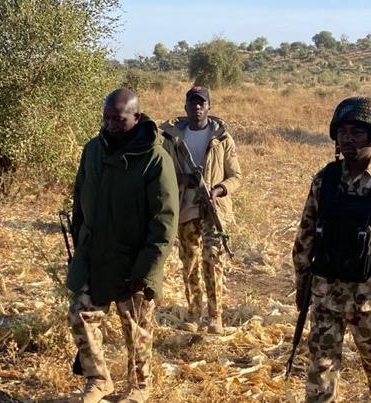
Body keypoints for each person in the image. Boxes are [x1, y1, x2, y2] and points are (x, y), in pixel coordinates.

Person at [292, 97, 371, 403]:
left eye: (357, 132)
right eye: (342, 132)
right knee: (320, 377)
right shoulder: (325, 179)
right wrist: (302, 284)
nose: (347, 139)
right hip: (326, 298)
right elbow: (305, 237)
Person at [66, 88, 178, 403]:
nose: (111, 124)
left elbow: (164, 222)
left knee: (136, 328)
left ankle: (140, 386)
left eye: (118, 118)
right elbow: (79, 201)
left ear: (136, 117)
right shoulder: (93, 150)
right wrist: (80, 247)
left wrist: (147, 271)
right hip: (95, 256)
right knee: (80, 315)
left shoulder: (155, 159)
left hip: (134, 261)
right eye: (106, 118)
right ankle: (98, 380)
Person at [159, 86, 242, 334]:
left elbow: (236, 177)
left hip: (213, 210)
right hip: (185, 208)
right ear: (185, 107)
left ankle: (215, 316)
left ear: (208, 107)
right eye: (192, 103)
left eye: (201, 103)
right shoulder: (172, 138)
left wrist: (218, 191)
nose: (197, 107)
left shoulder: (222, 138)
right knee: (190, 262)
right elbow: (163, 174)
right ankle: (194, 313)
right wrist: (183, 180)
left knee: (212, 260)